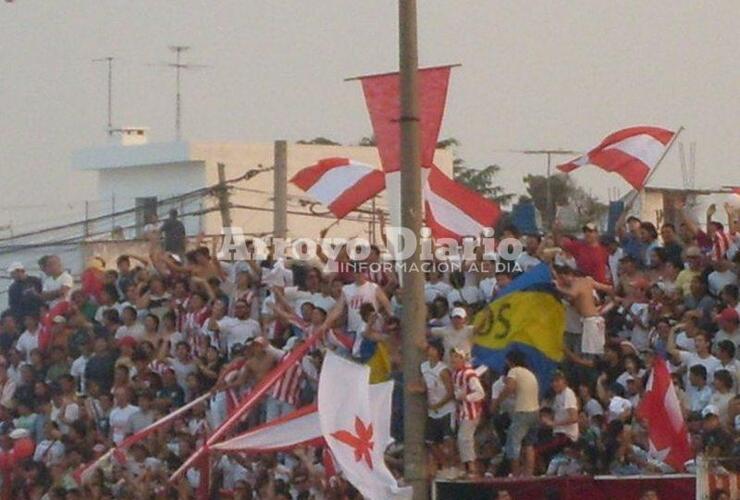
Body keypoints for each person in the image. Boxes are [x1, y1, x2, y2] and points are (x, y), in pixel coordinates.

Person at [496, 349, 539, 477]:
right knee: (529, 444)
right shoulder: (530, 373)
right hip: (535, 411)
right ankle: (528, 473)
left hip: (523, 411)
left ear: (510, 361)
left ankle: (515, 474)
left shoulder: (514, 371)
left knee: (512, 443)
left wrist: (498, 401)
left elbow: (510, 387)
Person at [554, 266, 613, 355]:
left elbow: (573, 294)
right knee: (593, 351)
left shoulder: (578, 282)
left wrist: (558, 288)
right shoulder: (587, 281)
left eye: (562, 278)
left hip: (591, 320)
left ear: (570, 275)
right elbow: (607, 288)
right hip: (591, 320)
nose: (562, 281)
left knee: (592, 353)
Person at [450, 347, 484, 479]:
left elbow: (480, 393)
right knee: (462, 439)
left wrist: (466, 397)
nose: (453, 360)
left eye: (456, 357)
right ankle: (466, 467)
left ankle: (471, 468)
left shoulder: (469, 374)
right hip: (461, 411)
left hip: (471, 411)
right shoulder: (455, 374)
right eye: (452, 357)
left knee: (465, 438)